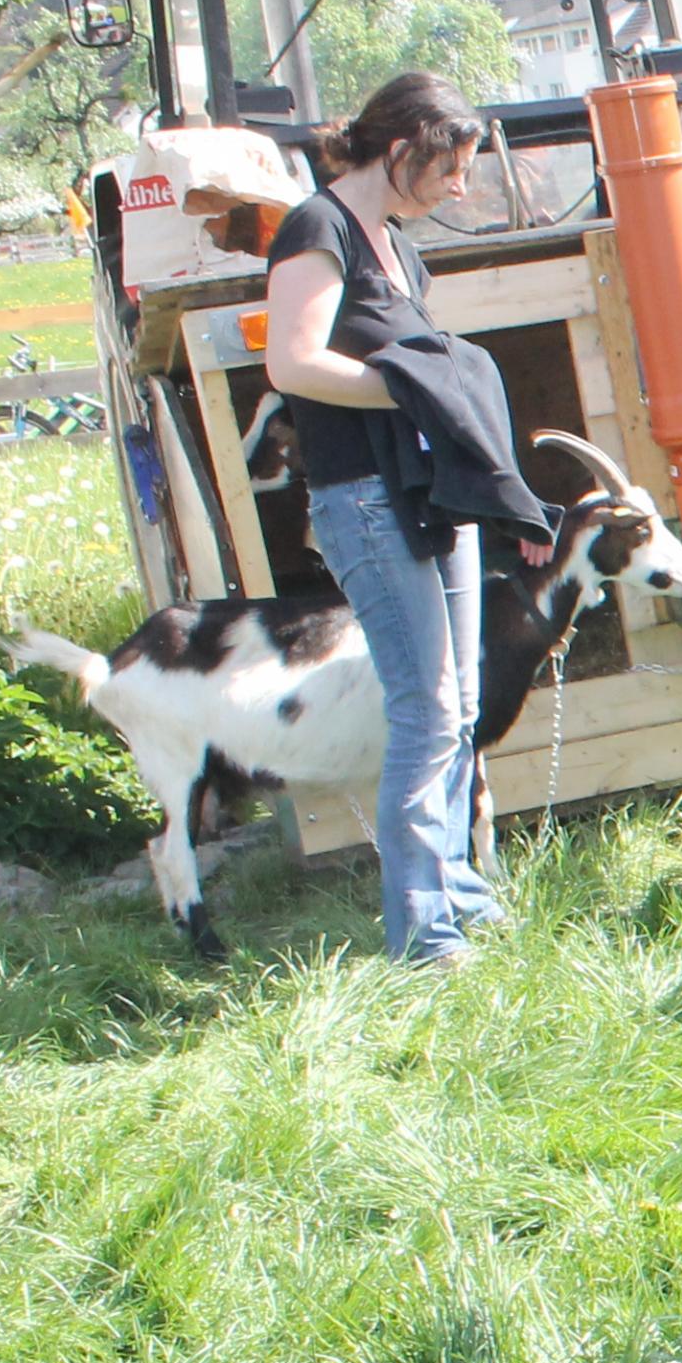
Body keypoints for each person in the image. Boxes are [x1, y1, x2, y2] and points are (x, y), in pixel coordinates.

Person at [261, 69, 515, 965]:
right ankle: (423, 933)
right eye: (450, 167)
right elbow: (291, 364)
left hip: (425, 491)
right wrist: (417, 389)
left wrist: (436, 396)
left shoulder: (398, 245)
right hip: (363, 499)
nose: (460, 188)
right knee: (427, 708)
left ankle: (459, 894)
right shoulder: (317, 227)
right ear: (403, 147)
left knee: (462, 703)